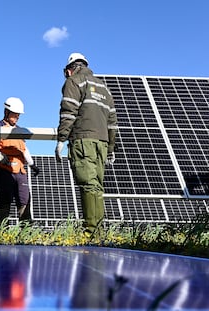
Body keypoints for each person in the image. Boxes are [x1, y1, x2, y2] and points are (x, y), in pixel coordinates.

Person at [54, 52, 117, 238]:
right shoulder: (103, 86)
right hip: (102, 143)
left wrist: (61, 138)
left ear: (69, 70)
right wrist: (111, 147)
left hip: (84, 140)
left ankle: (90, 232)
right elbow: (112, 120)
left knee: (88, 184)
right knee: (97, 186)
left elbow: (68, 111)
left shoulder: (74, 81)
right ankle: (98, 232)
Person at [0, 97, 40, 231]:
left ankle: (26, 233)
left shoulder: (19, 131)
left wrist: (32, 165)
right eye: (15, 114)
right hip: (5, 170)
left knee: (24, 201)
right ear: (6, 112)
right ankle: (2, 233)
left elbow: (24, 150)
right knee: (4, 202)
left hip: (20, 172)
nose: (17, 117)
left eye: (18, 115)